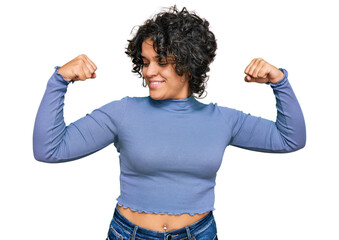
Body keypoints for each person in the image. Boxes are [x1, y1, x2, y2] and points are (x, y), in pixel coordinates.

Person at [33, 6, 306, 240]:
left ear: (189, 62)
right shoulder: (122, 112)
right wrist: (59, 80)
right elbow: (50, 150)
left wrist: (279, 82)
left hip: (199, 233)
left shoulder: (224, 120)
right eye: (145, 61)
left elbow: (289, 139)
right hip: (129, 233)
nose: (148, 71)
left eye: (161, 62)